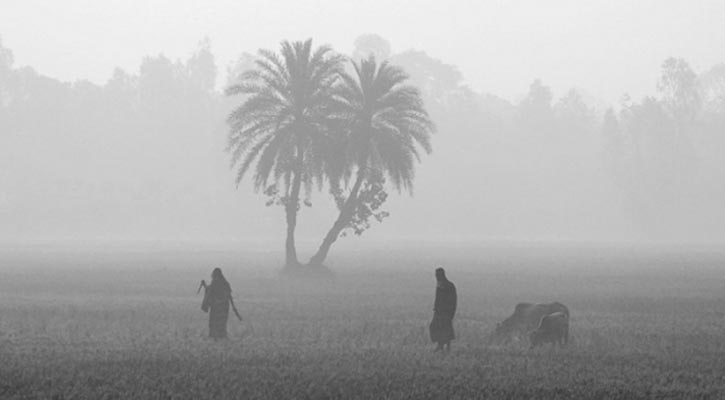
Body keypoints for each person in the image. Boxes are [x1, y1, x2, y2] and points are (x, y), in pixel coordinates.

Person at [429, 267, 457, 352]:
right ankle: (440, 345)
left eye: (437, 275)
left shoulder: (449, 285)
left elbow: (453, 300)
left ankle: (446, 347)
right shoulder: (440, 285)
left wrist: (451, 312)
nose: (436, 277)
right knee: (436, 327)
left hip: (446, 311)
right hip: (438, 311)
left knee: (446, 328)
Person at [201, 268, 232, 339]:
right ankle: (218, 337)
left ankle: (219, 337)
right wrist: (205, 285)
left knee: (218, 323)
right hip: (220, 308)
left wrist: (217, 301)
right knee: (216, 323)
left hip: (219, 308)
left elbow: (210, 291)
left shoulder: (220, 283)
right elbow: (209, 290)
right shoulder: (224, 283)